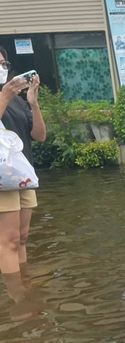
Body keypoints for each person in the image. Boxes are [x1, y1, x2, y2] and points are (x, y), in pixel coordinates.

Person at [0, 47, 46, 304]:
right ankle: (18, 298)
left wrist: (33, 103)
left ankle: (23, 282)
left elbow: (39, 136)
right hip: (1, 181)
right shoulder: (7, 95)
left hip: (23, 176)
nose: (2, 68)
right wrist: (4, 96)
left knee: (23, 237)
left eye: (4, 63)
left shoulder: (17, 99)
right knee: (8, 240)